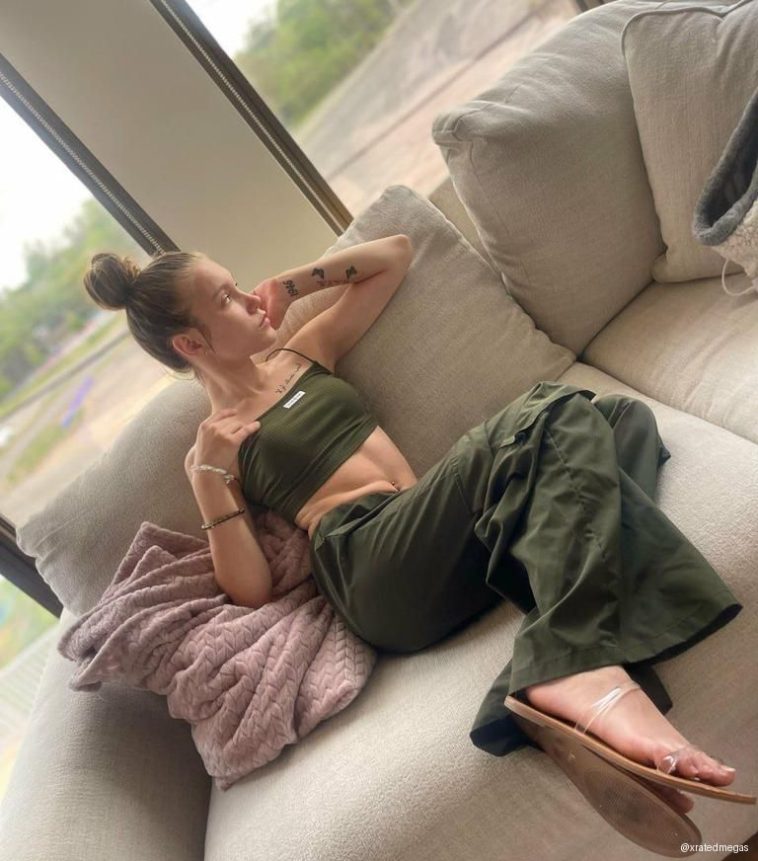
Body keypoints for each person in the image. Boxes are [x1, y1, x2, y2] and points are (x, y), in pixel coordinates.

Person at [83, 245, 750, 823]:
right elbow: (250, 591)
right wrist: (210, 480)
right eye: (228, 298)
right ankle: (577, 665)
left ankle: (549, 679)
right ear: (190, 345)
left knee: (623, 421)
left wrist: (293, 284)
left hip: (447, 550)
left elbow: (394, 255)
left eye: (238, 285)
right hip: (373, 567)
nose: (252, 300)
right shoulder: (213, 446)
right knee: (545, 410)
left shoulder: (302, 353)